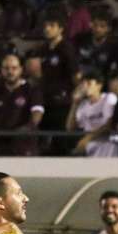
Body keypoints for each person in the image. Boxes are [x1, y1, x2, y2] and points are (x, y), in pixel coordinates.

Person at [0, 53, 44, 156]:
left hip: (24, 146)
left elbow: (36, 116)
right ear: (1, 70)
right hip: (0, 147)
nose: (10, 72)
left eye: (14, 68)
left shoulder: (32, 90)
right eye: (6, 68)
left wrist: (27, 128)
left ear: (20, 69)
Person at [34, 15, 79, 154]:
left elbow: (75, 76)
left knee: (61, 142)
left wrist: (74, 98)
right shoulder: (43, 49)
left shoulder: (67, 48)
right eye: (46, 26)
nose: (47, 29)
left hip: (62, 103)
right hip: (46, 101)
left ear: (61, 28)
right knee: (43, 142)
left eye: (52, 25)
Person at [68, 69, 118, 156]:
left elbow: (110, 124)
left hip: (109, 151)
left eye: (89, 83)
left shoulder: (109, 98)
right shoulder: (83, 105)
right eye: (83, 84)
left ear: (99, 85)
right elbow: (70, 127)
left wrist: (88, 138)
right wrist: (75, 103)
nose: (85, 86)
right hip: (91, 152)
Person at [74, 10, 118, 82]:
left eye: (102, 26)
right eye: (95, 25)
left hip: (101, 84)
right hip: (80, 81)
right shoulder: (81, 39)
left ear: (109, 28)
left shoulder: (115, 46)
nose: (97, 29)